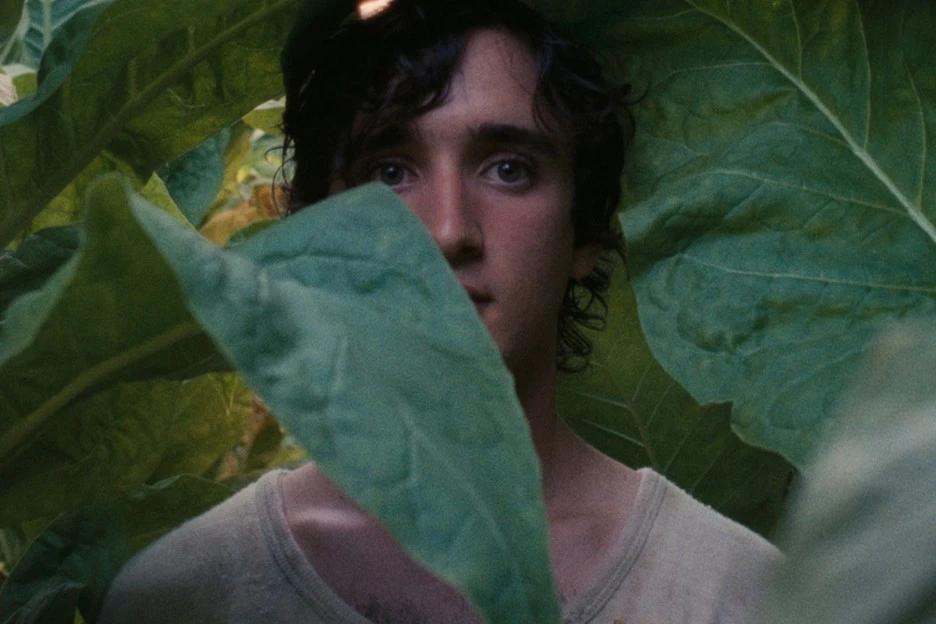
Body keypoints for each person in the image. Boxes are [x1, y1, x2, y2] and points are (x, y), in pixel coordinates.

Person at [99, 0, 781, 622]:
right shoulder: (182, 597)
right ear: (310, 227)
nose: (449, 230)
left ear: (587, 233)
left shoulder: (742, 595)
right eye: (390, 172)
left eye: (508, 168)